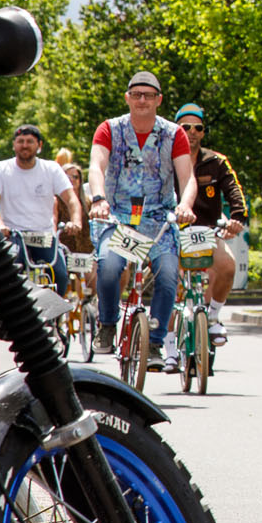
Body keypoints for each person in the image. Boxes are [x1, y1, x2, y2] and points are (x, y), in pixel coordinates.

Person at [86, 71, 199, 372]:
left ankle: (157, 342)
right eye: (136, 94)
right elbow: (97, 167)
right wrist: (98, 199)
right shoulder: (109, 129)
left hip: (159, 218)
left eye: (149, 95)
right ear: (127, 98)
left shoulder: (175, 134)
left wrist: (186, 205)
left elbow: (187, 179)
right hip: (118, 216)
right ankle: (108, 323)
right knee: (109, 268)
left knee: (167, 276)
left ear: (159, 100)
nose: (142, 100)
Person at [173, 103, 249, 347]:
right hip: (173, 232)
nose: (192, 132)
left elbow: (234, 190)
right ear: (177, 130)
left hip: (206, 232)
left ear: (203, 132)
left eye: (198, 127)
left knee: (227, 266)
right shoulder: (165, 161)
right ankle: (166, 341)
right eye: (186, 127)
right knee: (169, 279)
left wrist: (237, 218)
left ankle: (214, 315)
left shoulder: (217, 161)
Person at [0, 124, 82, 295]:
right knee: (10, 271)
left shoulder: (51, 169)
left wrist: (76, 221)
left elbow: (71, 199)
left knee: (59, 275)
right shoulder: (1, 169)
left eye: (30, 141)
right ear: (14, 145)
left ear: (39, 145)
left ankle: (54, 319)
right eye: (20, 141)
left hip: (43, 236)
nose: (25, 145)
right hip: (13, 234)